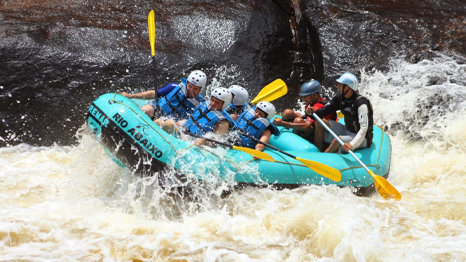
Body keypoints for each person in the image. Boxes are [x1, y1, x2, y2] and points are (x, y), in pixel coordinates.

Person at [306, 72, 374, 153]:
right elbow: (324, 111)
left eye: (340, 85)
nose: (337, 87)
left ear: (348, 87)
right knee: (320, 122)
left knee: (336, 140)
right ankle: (317, 151)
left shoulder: (361, 103)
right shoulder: (340, 98)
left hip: (363, 138)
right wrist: (310, 113)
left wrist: (352, 144)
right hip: (347, 130)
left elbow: (363, 129)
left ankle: (323, 157)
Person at [163, 88, 237, 146]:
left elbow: (217, 139)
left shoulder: (224, 121)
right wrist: (181, 123)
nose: (213, 103)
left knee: (168, 124)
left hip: (195, 143)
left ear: (224, 104)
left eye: (217, 102)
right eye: (212, 100)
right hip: (185, 134)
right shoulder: (204, 105)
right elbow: (192, 120)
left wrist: (204, 140)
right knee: (163, 123)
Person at [121, 70, 206, 120]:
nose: (191, 90)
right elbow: (154, 93)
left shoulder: (200, 104)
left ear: (200, 89)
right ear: (187, 83)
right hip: (158, 111)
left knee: (167, 124)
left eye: (195, 89)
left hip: (171, 123)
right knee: (146, 109)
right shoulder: (174, 87)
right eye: (190, 86)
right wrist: (131, 96)